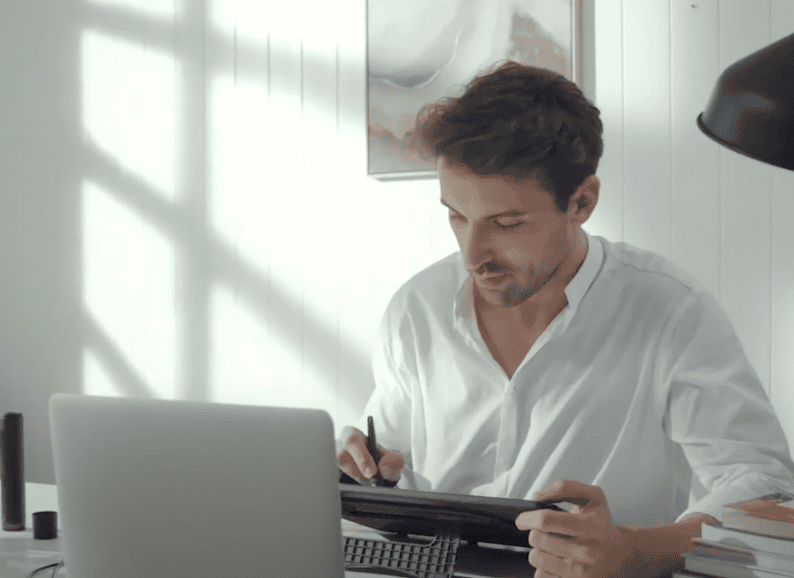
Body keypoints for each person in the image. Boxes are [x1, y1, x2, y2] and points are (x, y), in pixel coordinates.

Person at [336, 60, 794, 577]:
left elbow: (765, 492)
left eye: (506, 223)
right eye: (456, 216)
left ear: (582, 202)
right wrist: (364, 470)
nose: (472, 254)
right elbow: (390, 460)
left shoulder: (671, 311)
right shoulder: (416, 308)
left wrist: (634, 550)